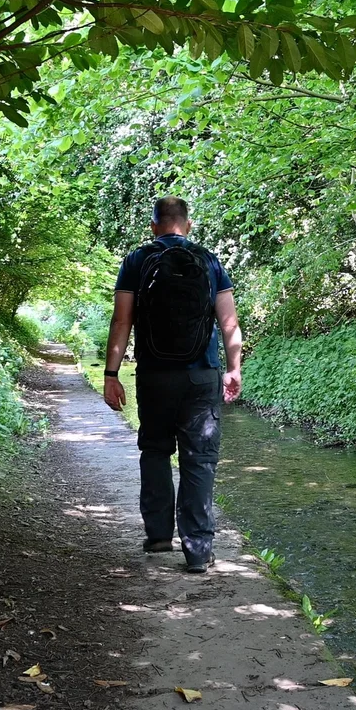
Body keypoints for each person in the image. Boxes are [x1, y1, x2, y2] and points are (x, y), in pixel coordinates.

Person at [102, 197, 242, 574]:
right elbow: (229, 323)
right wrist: (233, 368)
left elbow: (121, 322)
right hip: (201, 375)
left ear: (154, 226)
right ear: (188, 224)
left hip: (155, 375)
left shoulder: (136, 261)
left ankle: (159, 535)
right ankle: (198, 551)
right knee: (199, 460)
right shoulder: (210, 261)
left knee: (155, 450)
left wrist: (111, 374)